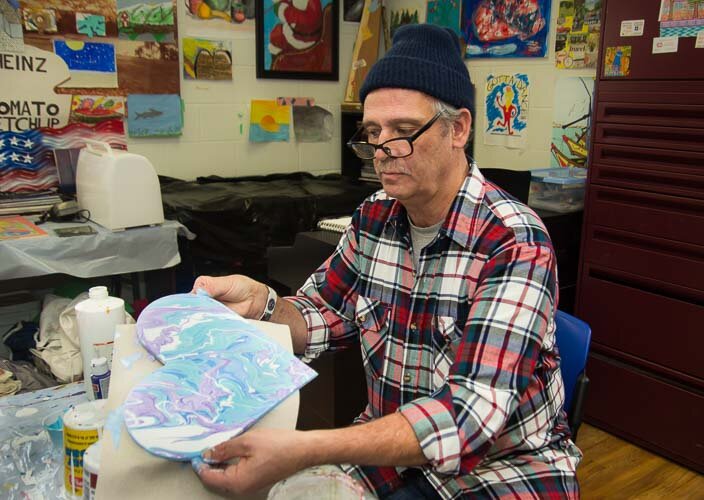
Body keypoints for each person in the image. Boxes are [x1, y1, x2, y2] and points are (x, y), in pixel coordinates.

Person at [192, 23, 581, 499]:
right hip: (392, 452)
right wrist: (265, 305)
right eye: (373, 133)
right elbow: (323, 314)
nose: (382, 153)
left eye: (402, 132)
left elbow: (468, 415)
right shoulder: (374, 217)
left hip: (501, 467)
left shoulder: (514, 241)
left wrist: (306, 447)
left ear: (458, 128)